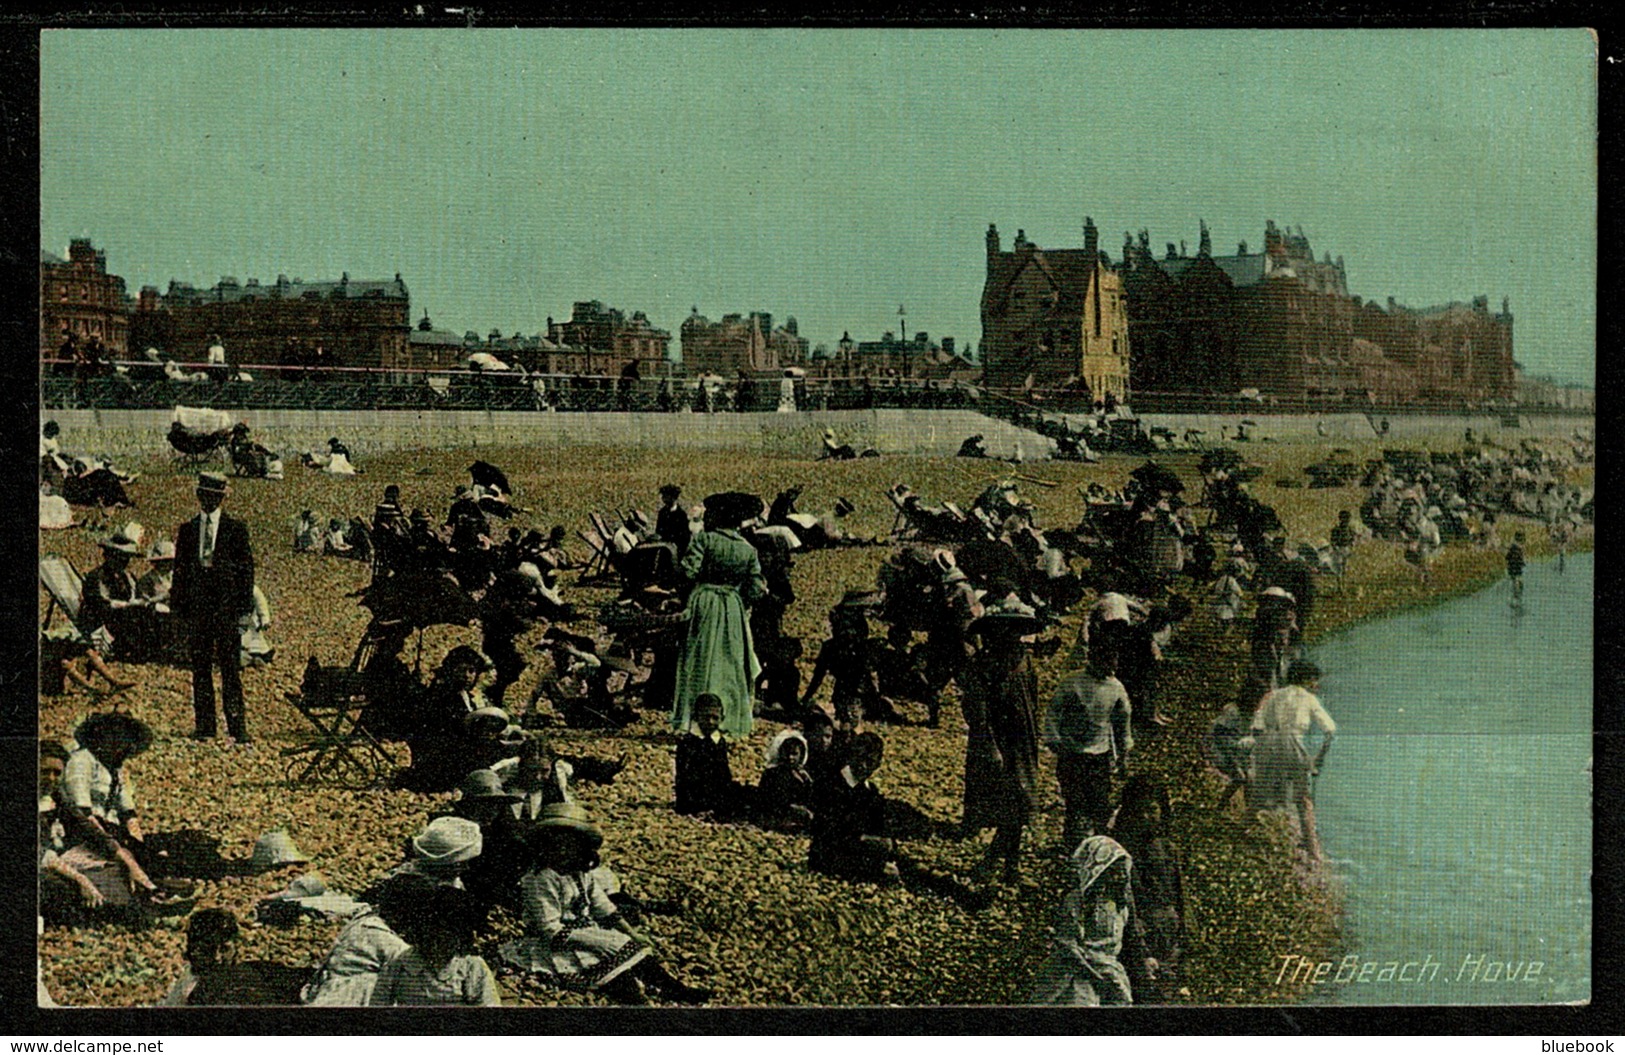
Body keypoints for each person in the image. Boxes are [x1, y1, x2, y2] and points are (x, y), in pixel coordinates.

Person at [499, 803, 711, 1004]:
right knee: (613, 971)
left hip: (585, 932)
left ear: (580, 846)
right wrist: (597, 941)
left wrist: (630, 933)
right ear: (544, 846)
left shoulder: (581, 874)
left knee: (634, 952)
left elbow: (604, 907)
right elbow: (548, 928)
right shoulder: (540, 879)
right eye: (556, 844)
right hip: (556, 943)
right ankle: (639, 1003)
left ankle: (672, 988)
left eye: (569, 844)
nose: (562, 850)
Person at [956, 599, 1042, 885]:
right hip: (997, 742)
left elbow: (1032, 699)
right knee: (1014, 805)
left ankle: (1009, 868)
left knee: (1018, 805)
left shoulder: (1024, 659)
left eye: (1015, 629)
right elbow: (975, 709)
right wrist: (990, 746)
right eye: (1005, 628)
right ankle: (993, 862)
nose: (1011, 634)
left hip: (1023, 741)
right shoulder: (984, 663)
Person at [670, 491, 768, 738]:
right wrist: (738, 599)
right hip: (732, 606)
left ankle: (693, 720)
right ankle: (728, 719)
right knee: (731, 662)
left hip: (705, 602)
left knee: (700, 659)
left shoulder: (705, 540)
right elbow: (756, 587)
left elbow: (688, 572)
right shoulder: (747, 549)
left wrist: (684, 592)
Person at [172, 472, 256, 743]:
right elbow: (180, 572)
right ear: (199, 496)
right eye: (205, 495)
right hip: (199, 607)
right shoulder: (187, 530)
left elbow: (246, 573)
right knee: (200, 668)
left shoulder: (236, 529)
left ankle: (237, 728)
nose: (209, 500)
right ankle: (205, 726)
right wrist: (179, 609)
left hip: (227, 609)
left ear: (222, 498)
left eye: (215, 496)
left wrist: (244, 610)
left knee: (230, 669)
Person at [1026, 835, 1139, 1006]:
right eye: (1114, 869)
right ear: (1099, 871)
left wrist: (1111, 976)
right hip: (1078, 973)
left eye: (1123, 869)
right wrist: (1096, 975)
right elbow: (1067, 944)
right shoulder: (1077, 901)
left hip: (1111, 974)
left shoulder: (1119, 905)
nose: (1121, 875)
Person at [1044, 640, 1133, 850]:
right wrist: (1054, 739)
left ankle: (1099, 845)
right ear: (1093, 659)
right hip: (1072, 753)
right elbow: (1053, 712)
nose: (1112, 665)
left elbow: (1123, 723)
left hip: (1099, 756)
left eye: (1114, 660)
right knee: (1074, 801)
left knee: (1099, 800)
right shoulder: (1073, 682)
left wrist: (1123, 756)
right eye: (1106, 660)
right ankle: (1073, 845)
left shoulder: (1116, 688)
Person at [1248, 660, 1336, 862]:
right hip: (1293, 743)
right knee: (1303, 801)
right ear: (1305, 680)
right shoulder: (1309, 699)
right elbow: (1330, 730)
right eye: (1314, 680)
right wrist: (1318, 759)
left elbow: (1258, 726)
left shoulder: (1272, 695)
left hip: (1268, 743)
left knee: (1260, 793)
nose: (1317, 685)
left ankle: (1243, 827)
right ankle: (1314, 852)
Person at [1110, 776, 1186, 1003]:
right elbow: (1127, 904)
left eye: (1152, 809)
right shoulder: (1123, 852)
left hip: (1168, 933)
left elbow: (1179, 894)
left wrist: (1183, 935)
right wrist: (1142, 951)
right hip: (1139, 934)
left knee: (1166, 990)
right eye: (1139, 811)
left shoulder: (1167, 847)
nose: (1146, 817)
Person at [369, 882, 501, 1006]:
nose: (438, 943)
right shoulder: (401, 964)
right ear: (420, 933)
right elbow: (377, 1008)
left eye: (448, 935)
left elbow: (489, 1011)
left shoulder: (471, 966)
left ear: (460, 936)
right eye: (432, 935)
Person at [300, 874, 414, 1006]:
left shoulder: (364, 916)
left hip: (325, 992)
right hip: (351, 999)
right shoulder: (388, 942)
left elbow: (343, 905)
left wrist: (301, 903)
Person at [808, 731, 897, 883]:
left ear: (877, 764)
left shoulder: (870, 791)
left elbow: (881, 825)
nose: (863, 766)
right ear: (850, 756)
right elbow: (827, 831)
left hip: (860, 850)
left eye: (869, 762)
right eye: (860, 759)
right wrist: (866, 840)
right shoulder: (831, 784)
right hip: (831, 854)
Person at [673, 693, 748, 819]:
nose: (710, 722)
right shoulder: (688, 742)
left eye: (715, 718)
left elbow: (723, 771)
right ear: (696, 717)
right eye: (706, 717)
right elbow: (683, 777)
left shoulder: (719, 740)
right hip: (695, 794)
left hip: (716, 790)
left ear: (722, 719)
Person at [755, 729, 815, 832]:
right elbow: (772, 801)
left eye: (794, 754)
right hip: (779, 817)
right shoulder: (773, 773)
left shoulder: (804, 775)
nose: (790, 757)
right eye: (787, 753)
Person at [1506, 531, 1527, 600]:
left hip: (1512, 566)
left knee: (1515, 580)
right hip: (1517, 566)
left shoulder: (1513, 546)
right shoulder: (1518, 547)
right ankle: (1517, 594)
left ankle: (1516, 594)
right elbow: (1521, 557)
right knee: (1518, 580)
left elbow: (1507, 557)